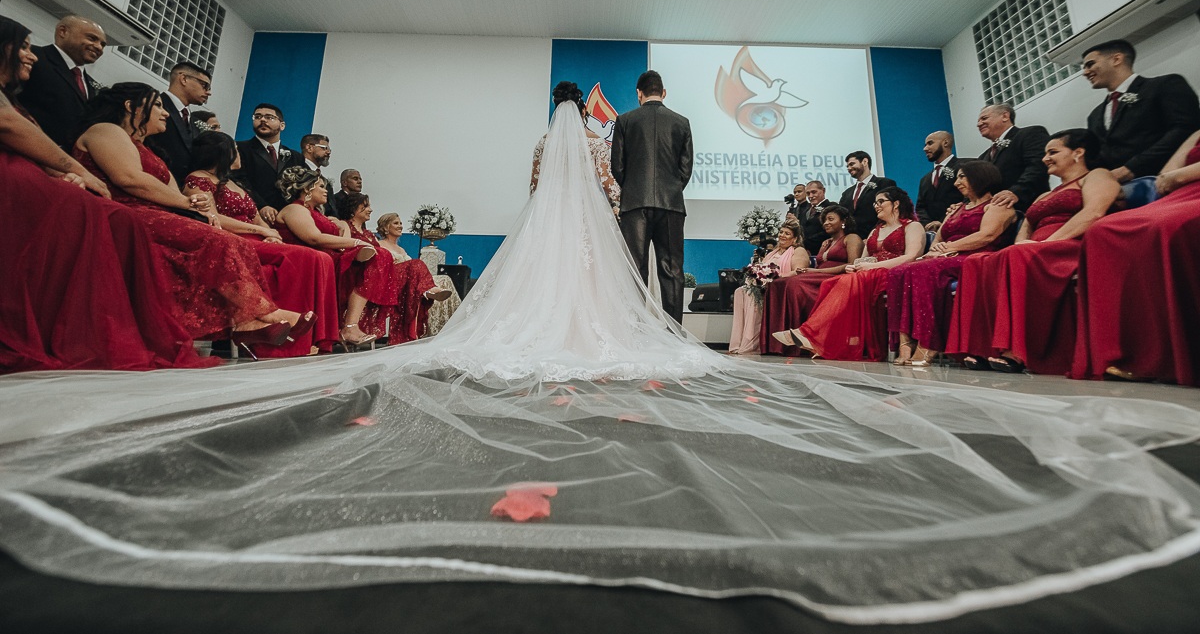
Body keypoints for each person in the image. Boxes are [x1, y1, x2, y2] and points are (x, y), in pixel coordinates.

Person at [4, 90, 1200, 621]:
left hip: (608, 216)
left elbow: (553, 202)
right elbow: (614, 193)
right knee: (618, 292)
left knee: (557, 285)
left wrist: (578, 180)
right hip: (642, 219)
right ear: (614, 120)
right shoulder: (641, 136)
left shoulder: (569, 149)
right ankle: (615, 324)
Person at [0, 15, 215, 372]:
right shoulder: (98, 125)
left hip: (45, 166)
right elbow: (13, 127)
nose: (31, 55)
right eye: (22, 47)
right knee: (110, 214)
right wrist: (75, 170)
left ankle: (101, 328)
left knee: (112, 215)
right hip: (23, 169)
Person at [72, 82, 307, 355]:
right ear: (130, 106)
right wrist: (189, 202)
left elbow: (171, 192)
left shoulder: (147, 148)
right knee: (218, 241)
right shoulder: (106, 131)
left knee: (237, 243)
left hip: (156, 214)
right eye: (158, 105)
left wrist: (196, 208)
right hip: (124, 213)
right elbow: (129, 179)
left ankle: (248, 322)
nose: (164, 113)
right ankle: (263, 315)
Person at [947, 129, 1120, 374]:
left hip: (1072, 245)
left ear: (1078, 153)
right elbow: (1026, 227)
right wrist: (1023, 245)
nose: (1045, 158)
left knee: (1016, 255)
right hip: (1034, 250)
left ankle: (1017, 351)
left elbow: (1093, 212)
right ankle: (984, 347)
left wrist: (1044, 244)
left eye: (1053, 152)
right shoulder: (1044, 194)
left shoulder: (1096, 176)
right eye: (1045, 153)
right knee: (976, 262)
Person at [184, 131, 336, 357]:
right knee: (307, 256)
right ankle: (282, 339)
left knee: (319, 258)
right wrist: (261, 230)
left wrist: (270, 232)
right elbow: (211, 218)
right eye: (235, 151)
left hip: (256, 236)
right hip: (233, 238)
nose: (239, 155)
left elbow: (255, 214)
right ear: (222, 153)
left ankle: (311, 339)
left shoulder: (233, 183)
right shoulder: (197, 179)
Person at [1073, 128, 1200, 384]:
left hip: (1189, 194)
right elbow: (1164, 177)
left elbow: (1174, 176)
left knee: (1163, 227)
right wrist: (1173, 178)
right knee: (1102, 230)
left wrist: (1180, 175)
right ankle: (1127, 350)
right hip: (1177, 195)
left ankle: (1176, 352)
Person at [887, 161, 1014, 366]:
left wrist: (945, 249)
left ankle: (928, 341)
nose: (957, 183)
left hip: (977, 257)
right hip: (947, 256)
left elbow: (986, 235)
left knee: (922, 271)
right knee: (897, 272)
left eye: (962, 177)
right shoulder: (958, 208)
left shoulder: (995, 206)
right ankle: (905, 342)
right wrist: (937, 249)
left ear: (980, 177)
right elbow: (939, 236)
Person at [781, 187, 924, 361]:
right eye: (875, 202)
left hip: (894, 273)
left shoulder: (912, 226)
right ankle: (827, 340)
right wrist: (854, 267)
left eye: (881, 201)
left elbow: (911, 256)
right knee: (830, 283)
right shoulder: (875, 230)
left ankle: (810, 333)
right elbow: (861, 260)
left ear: (896, 204)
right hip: (869, 273)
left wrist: (872, 267)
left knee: (848, 282)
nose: (876, 206)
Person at [611, 70, 693, 323]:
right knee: (672, 269)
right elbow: (686, 168)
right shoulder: (682, 122)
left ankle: (636, 330)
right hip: (671, 205)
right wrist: (670, 189)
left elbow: (617, 167)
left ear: (639, 93)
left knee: (635, 269)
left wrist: (634, 188)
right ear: (663, 92)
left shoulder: (625, 120)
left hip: (635, 205)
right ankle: (673, 332)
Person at [274, 166, 384, 348]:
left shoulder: (318, 213)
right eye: (321, 186)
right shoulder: (295, 210)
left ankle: (349, 325)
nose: (326, 190)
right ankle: (349, 326)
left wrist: (343, 226)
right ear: (307, 189)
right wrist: (357, 244)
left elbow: (340, 242)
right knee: (376, 257)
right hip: (305, 262)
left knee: (378, 257)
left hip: (325, 259)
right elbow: (314, 238)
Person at [1081, 39, 1200, 183]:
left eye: (1090, 64)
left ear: (1116, 59)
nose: (1085, 73)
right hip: (1118, 190)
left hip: (1167, 179)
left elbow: (1185, 129)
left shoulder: (1164, 85)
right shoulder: (1094, 115)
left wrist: (1132, 168)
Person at [339, 194, 451, 344]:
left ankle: (438, 308)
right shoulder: (348, 227)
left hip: (389, 279)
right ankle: (428, 289)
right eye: (366, 206)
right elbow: (344, 248)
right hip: (372, 277)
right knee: (415, 263)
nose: (370, 210)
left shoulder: (369, 236)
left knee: (443, 278)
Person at [764, 205, 864, 356]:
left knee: (795, 283)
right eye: (824, 221)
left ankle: (805, 335)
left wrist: (815, 271)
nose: (826, 223)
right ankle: (778, 344)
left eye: (830, 219)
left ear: (844, 221)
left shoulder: (852, 238)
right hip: (818, 276)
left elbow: (852, 265)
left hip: (838, 279)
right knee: (778, 283)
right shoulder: (826, 242)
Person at [18, 15, 106, 149]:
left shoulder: (91, 86)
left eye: (102, 44)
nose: (99, 47)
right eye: (92, 38)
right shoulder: (33, 57)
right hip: (23, 147)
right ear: (63, 31)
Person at [532, 81, 621, 209]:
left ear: (557, 113)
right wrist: (620, 200)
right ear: (583, 111)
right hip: (586, 205)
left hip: (551, 205)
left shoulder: (544, 143)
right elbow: (606, 181)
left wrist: (537, 209)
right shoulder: (596, 143)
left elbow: (535, 182)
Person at [727, 219, 808, 356]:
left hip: (780, 287)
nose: (782, 235)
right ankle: (738, 342)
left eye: (787, 233)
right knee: (740, 291)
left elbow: (798, 271)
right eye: (781, 232)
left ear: (795, 239)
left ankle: (751, 344)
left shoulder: (798, 251)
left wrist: (776, 278)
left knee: (753, 295)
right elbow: (763, 269)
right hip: (766, 284)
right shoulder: (772, 252)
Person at [231, 103, 299, 224]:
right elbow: (239, 181)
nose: (262, 120)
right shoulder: (240, 148)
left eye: (269, 117)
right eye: (257, 117)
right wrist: (261, 206)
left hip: (288, 219)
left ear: (282, 125)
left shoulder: (295, 156)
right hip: (252, 214)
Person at [146, 61, 211, 185]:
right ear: (184, 79)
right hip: (154, 180)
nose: (208, 92)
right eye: (204, 86)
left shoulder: (193, 120)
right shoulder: (155, 105)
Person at [975, 103, 1049, 211]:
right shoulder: (982, 157)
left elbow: (1038, 167)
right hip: (995, 215)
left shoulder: (1030, 134)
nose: (979, 124)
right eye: (978, 121)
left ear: (1005, 116)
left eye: (984, 118)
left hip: (1029, 207)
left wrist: (1015, 192)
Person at [837, 151, 896, 237]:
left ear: (865, 162)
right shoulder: (846, 193)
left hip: (878, 236)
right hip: (851, 240)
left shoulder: (884, 183)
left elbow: (890, 212)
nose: (849, 168)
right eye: (847, 166)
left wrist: (872, 236)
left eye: (852, 164)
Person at [915, 130, 964, 230]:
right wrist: (928, 225)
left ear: (945, 143)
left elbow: (970, 198)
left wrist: (943, 222)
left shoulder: (965, 167)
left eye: (930, 143)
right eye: (925, 145)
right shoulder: (924, 179)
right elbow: (921, 207)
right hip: (933, 235)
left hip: (960, 227)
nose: (925, 148)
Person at [299, 133, 338, 218]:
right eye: (324, 148)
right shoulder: (298, 173)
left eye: (329, 149)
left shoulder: (323, 178)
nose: (328, 152)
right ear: (309, 148)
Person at [796, 181, 833, 253]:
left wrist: (804, 243)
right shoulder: (806, 211)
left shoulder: (831, 207)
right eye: (808, 193)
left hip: (825, 250)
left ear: (823, 190)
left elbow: (828, 232)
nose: (811, 196)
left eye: (814, 192)